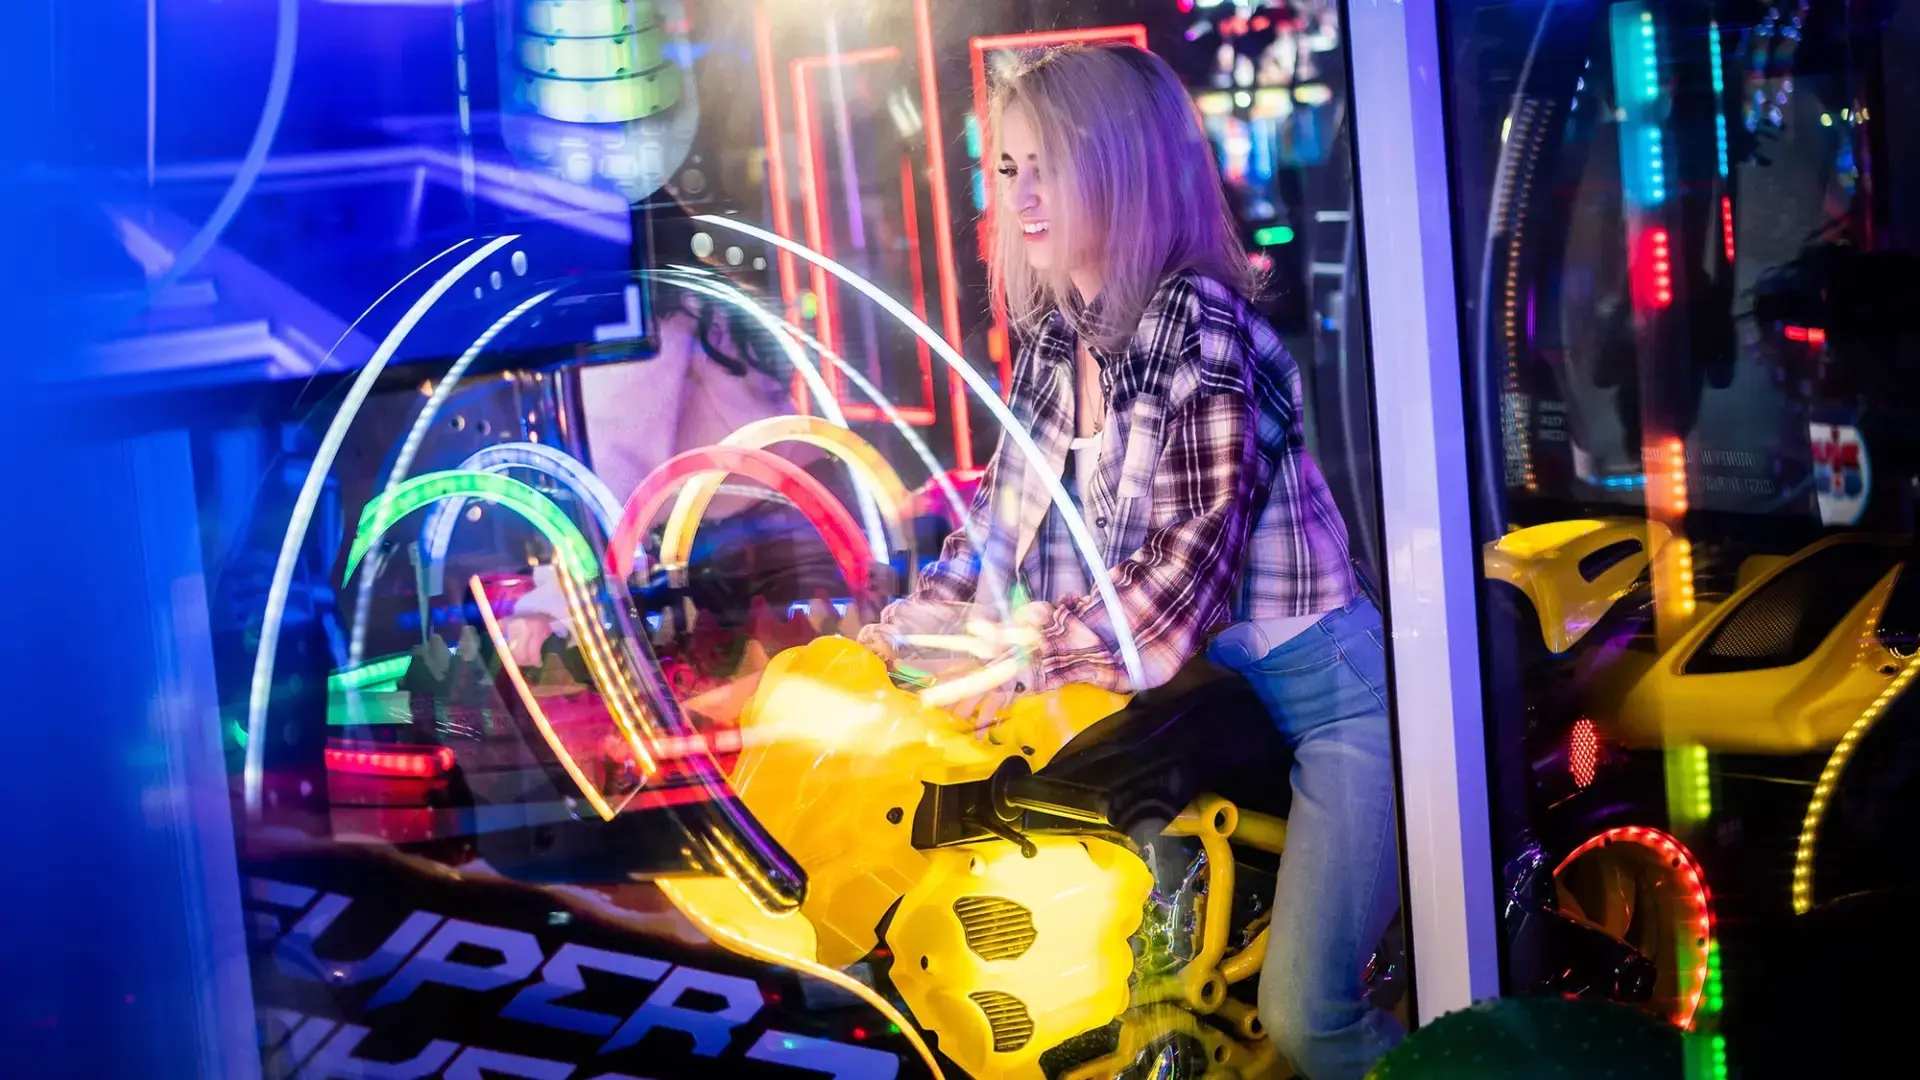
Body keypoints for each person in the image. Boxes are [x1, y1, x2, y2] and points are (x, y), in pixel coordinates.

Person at [856, 43, 1402, 1080]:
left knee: (1307, 1018)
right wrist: (913, 630)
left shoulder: (1196, 325)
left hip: (1333, 703)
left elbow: (1173, 588)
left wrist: (1017, 653)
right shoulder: (1064, 336)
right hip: (1215, 702)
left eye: (1045, 165)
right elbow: (1000, 522)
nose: (1019, 194)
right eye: (1006, 167)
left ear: (1121, 167)